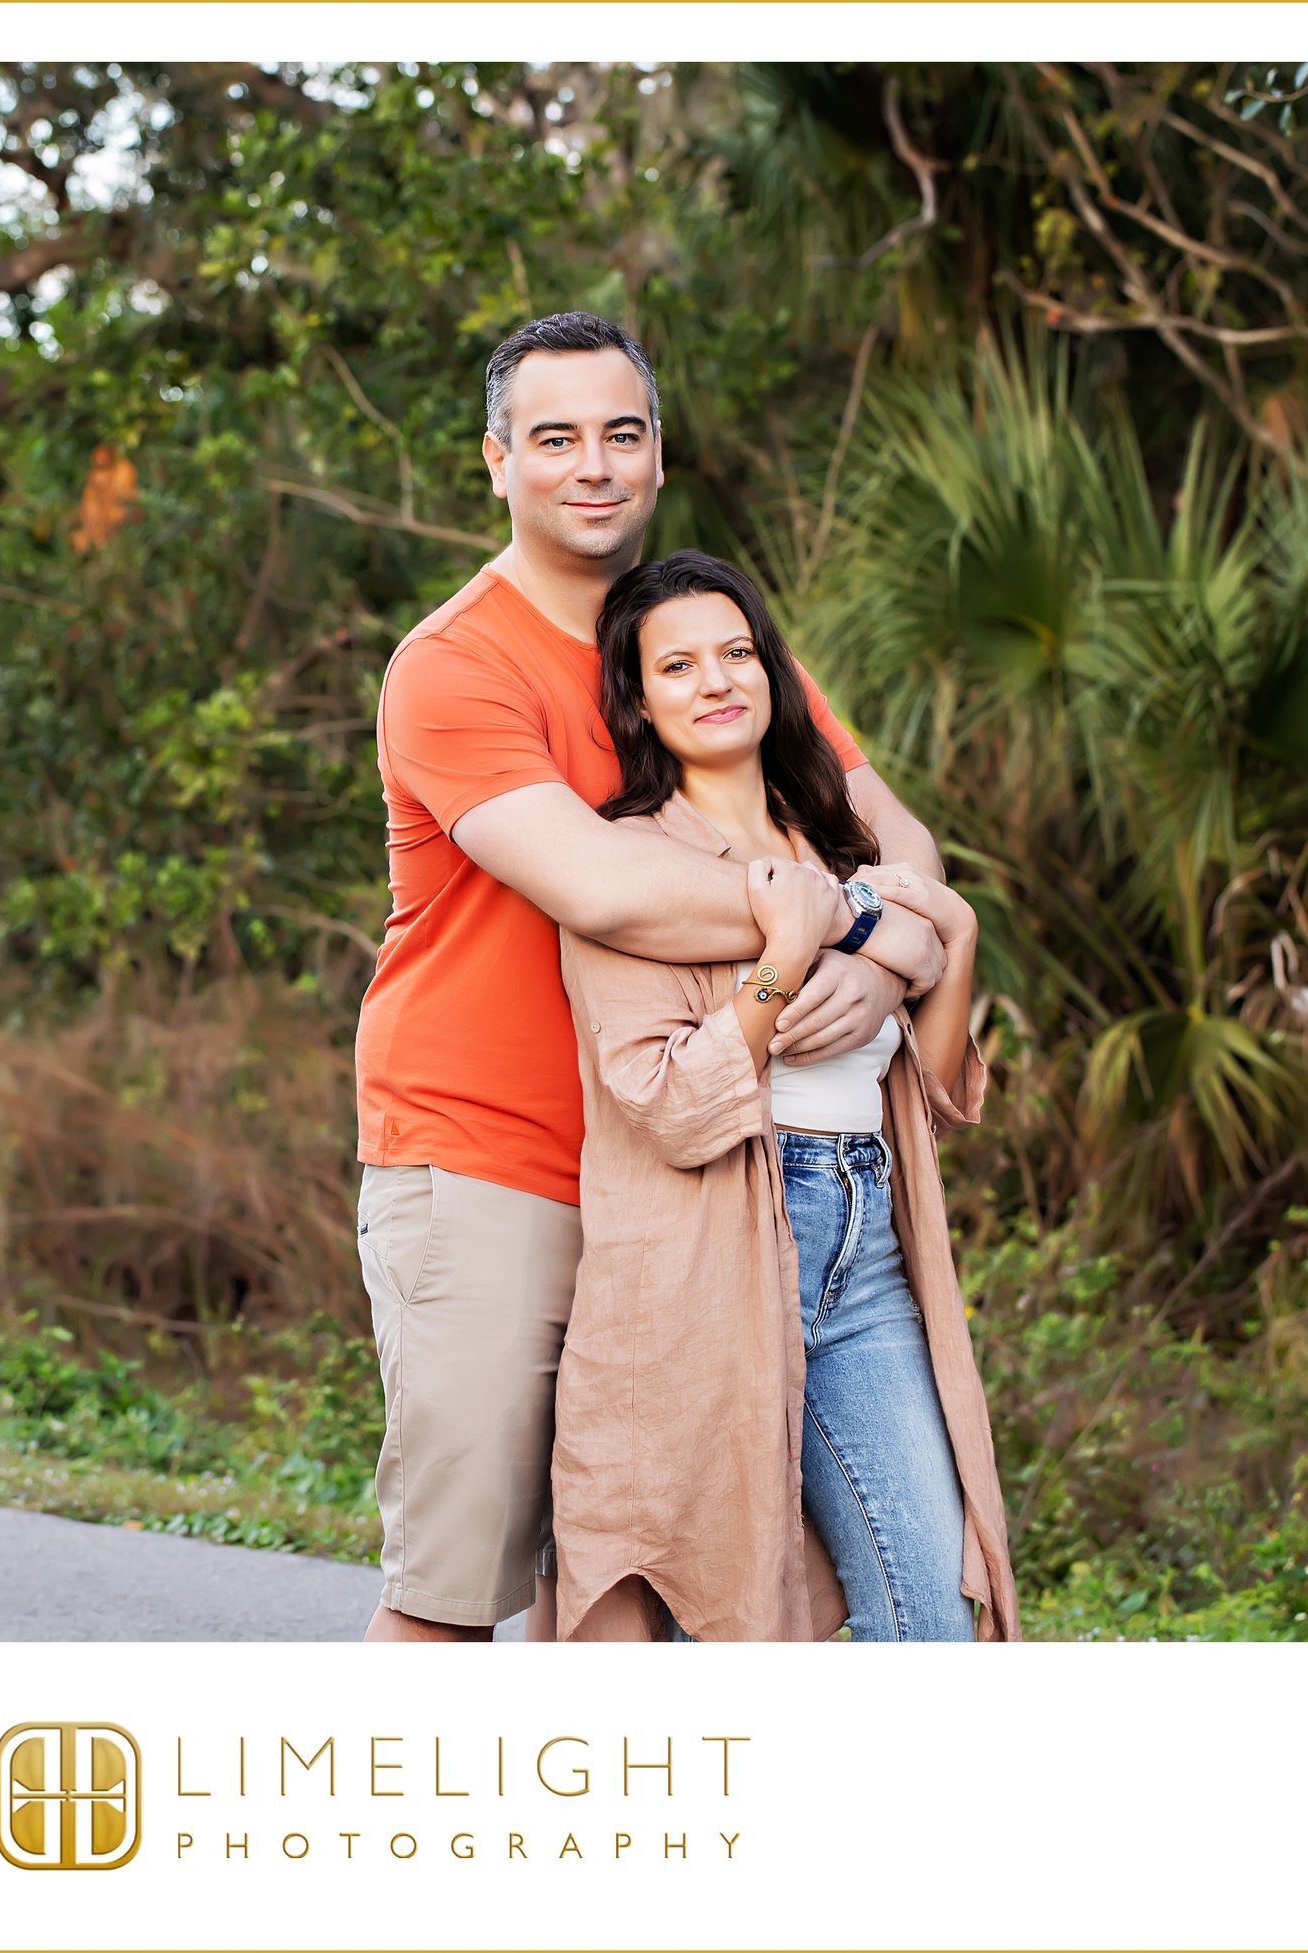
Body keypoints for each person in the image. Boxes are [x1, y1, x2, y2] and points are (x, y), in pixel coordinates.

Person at [354, 311, 953, 1643]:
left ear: (660, 456)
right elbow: (608, 888)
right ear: (497, 461)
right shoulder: (453, 667)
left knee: (682, 1585)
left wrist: (900, 947)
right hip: (499, 1168)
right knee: (458, 1595)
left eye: (622, 434)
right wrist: (856, 931)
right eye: (555, 438)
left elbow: (900, 840)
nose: (594, 466)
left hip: (703, 1173)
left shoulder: (704, 641)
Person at [551, 550, 1019, 1642]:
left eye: (737, 652)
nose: (715, 680)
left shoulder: (844, 851)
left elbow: (939, 1095)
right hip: (713, 1259)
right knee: (728, 1614)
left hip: (870, 1251)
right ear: (639, 697)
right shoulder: (628, 864)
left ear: (774, 674)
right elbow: (667, 1106)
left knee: (929, 1616)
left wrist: (950, 941)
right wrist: (781, 958)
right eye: (677, 665)